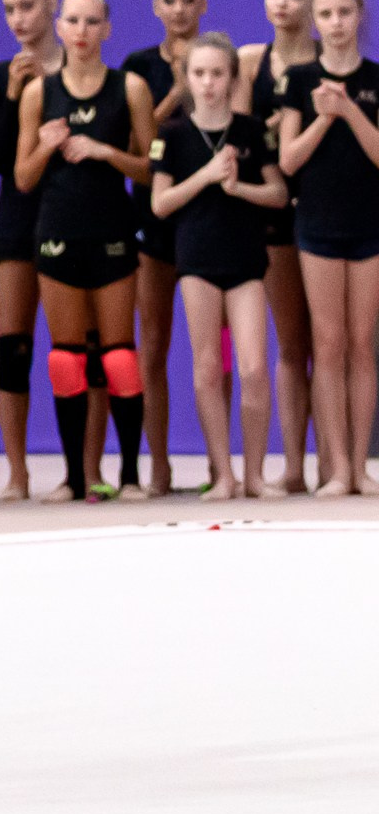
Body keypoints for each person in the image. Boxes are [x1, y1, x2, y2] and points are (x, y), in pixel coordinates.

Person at [15, 0, 155, 502]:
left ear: (107, 29)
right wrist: (48, 146)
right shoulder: (39, 93)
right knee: (66, 357)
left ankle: (130, 478)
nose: (80, 30)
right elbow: (23, 178)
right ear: (59, 25)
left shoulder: (130, 88)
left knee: (119, 355)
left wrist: (107, 153)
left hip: (113, 233)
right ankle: (74, 477)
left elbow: (150, 167)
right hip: (57, 234)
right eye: (72, 20)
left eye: (91, 21)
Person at [151, 33, 287, 499]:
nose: (208, 83)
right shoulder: (172, 134)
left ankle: (254, 474)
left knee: (252, 367)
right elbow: (161, 203)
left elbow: (278, 194)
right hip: (197, 261)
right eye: (200, 73)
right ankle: (223, 474)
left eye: (217, 73)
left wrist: (238, 189)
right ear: (187, 79)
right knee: (207, 367)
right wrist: (206, 177)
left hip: (245, 260)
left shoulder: (251, 132)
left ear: (232, 77)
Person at [275, 0, 379, 497]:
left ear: (359, 15)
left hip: (369, 227)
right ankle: (336, 466)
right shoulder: (300, 80)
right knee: (329, 341)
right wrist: (322, 116)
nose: (336, 23)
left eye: (344, 13)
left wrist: (350, 111)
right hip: (317, 225)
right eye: (326, 15)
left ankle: (361, 465)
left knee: (362, 344)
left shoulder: (375, 82)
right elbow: (288, 161)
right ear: (314, 23)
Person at [121, 0, 206, 496]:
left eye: (188, 1)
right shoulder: (138, 67)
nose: (179, 10)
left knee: (214, 349)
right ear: (155, 7)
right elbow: (136, 143)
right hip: (152, 219)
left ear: (203, 4)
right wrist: (177, 88)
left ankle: (224, 463)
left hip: (210, 221)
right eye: (169, 1)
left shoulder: (219, 58)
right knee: (152, 344)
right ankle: (158, 463)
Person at [0, 0, 61, 500]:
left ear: (52, 6)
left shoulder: (86, 72)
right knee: (14, 347)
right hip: (17, 218)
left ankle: (84, 466)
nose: (19, 19)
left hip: (74, 216)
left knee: (78, 348)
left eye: (28, 6)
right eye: (10, 9)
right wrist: (12, 96)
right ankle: (17, 471)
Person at [242, 0, 321, 495]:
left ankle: (339, 463)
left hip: (326, 211)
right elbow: (240, 138)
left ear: (313, 3)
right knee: (293, 344)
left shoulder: (328, 61)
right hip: (272, 213)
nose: (282, 3)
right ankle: (293, 464)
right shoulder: (251, 61)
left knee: (334, 345)